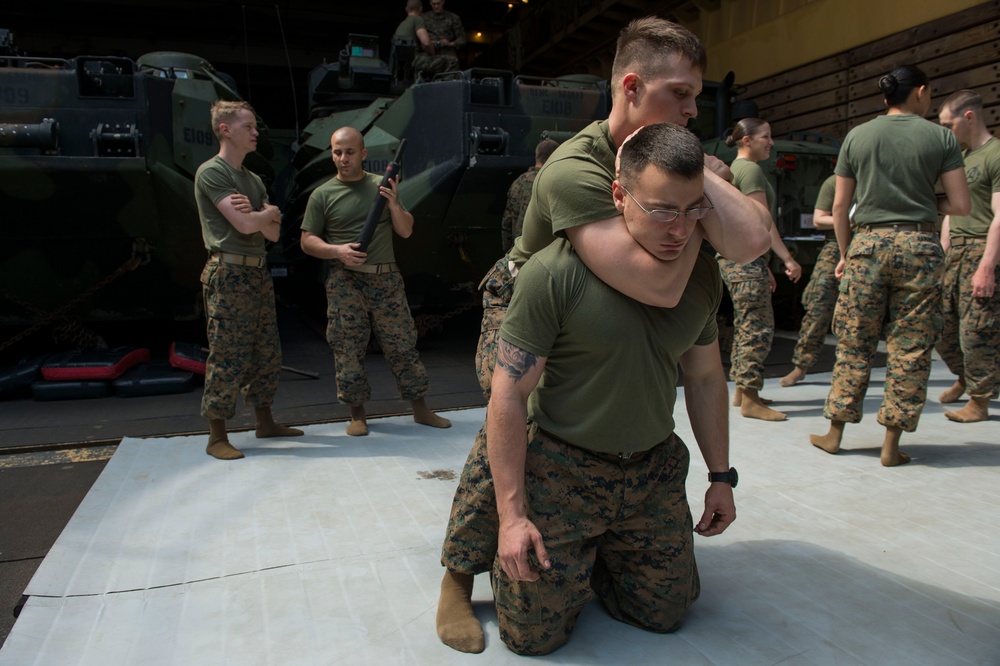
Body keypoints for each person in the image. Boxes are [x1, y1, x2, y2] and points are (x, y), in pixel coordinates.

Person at [439, 17, 772, 655]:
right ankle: (459, 573)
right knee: (512, 414)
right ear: (630, 86)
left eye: (697, 94)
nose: (693, 108)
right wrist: (701, 211)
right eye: (680, 93)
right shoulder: (573, 168)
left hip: (615, 303)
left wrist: (694, 184)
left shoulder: (670, 167)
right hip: (527, 295)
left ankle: (592, 557)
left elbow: (750, 243)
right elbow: (657, 282)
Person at [490, 122, 735, 655]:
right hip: (563, 470)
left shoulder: (701, 278)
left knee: (666, 616)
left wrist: (721, 477)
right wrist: (513, 517)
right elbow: (507, 396)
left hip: (651, 472)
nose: (679, 229)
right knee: (532, 638)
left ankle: (600, 559)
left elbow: (706, 376)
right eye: (662, 209)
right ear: (619, 195)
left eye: (693, 210)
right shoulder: (555, 275)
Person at [809, 65, 970, 466]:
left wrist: (846, 254)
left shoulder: (858, 136)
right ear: (920, 92)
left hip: (867, 244)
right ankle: (891, 445)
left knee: (854, 342)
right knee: (911, 347)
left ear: (886, 98)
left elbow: (842, 207)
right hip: (920, 245)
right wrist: (919, 206)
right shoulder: (941, 137)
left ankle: (834, 434)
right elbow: (961, 205)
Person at [300, 127, 452, 436]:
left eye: (350, 152)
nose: (343, 158)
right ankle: (357, 415)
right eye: (337, 152)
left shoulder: (382, 187)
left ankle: (421, 409)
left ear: (364, 154)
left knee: (402, 345)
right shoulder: (323, 194)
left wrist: (394, 203)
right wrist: (337, 251)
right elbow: (307, 241)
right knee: (348, 348)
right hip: (346, 281)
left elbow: (406, 230)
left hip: (386, 279)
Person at [194, 100, 304, 461]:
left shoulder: (253, 180)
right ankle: (217, 436)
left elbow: (273, 233)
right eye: (248, 126)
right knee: (228, 354)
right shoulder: (213, 173)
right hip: (228, 273)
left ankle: (264, 421)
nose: (256, 133)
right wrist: (264, 214)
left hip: (257, 271)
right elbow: (244, 225)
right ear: (225, 129)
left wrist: (262, 214)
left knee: (266, 352)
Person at [719, 118, 802, 420]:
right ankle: (751, 397)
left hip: (738, 260)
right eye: (765, 136)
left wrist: (763, 263)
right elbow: (762, 224)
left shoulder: (733, 170)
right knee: (758, 328)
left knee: (745, 325)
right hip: (745, 260)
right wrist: (787, 259)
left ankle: (743, 391)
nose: (771, 142)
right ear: (746, 140)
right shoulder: (751, 170)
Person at [934, 89, 1000, 422]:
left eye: (948, 124)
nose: (946, 131)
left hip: (981, 250)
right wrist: (942, 256)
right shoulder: (961, 157)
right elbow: (952, 214)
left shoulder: (996, 154)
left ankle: (980, 400)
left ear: (969, 117)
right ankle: (966, 377)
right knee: (942, 326)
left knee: (977, 331)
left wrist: (987, 266)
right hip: (956, 251)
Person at [780, 173, 841, 387]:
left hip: (867, 244)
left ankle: (851, 368)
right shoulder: (835, 182)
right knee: (818, 304)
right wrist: (850, 218)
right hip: (836, 245)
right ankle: (801, 366)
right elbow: (819, 219)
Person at [500, 138, 559, 253]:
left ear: (537, 156)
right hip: (540, 256)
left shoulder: (519, 182)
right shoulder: (551, 182)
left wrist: (507, 253)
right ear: (554, 157)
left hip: (517, 253)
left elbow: (506, 221)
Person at [393, 0, 458, 78]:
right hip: (415, 59)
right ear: (420, 8)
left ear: (406, 9)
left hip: (403, 62)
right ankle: (445, 87)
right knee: (452, 61)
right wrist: (433, 54)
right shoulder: (418, 19)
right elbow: (426, 43)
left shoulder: (402, 23)